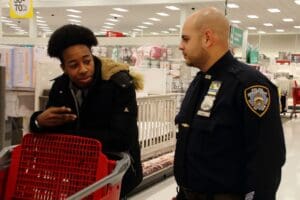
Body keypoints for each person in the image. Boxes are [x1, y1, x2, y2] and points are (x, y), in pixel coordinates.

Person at [173, 7, 286, 200]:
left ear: (207, 38)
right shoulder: (200, 81)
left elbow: (266, 163)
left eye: (186, 39)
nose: (180, 46)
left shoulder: (250, 85)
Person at [29, 24, 143, 199]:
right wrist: (38, 121)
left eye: (87, 61)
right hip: (75, 177)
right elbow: (49, 130)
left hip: (113, 175)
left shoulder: (118, 84)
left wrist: (70, 137)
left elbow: (123, 138)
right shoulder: (60, 87)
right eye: (74, 65)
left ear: (92, 55)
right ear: (63, 68)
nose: (83, 69)